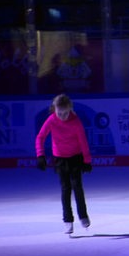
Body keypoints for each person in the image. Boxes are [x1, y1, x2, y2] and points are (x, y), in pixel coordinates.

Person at [35, 94, 93, 234]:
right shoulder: (51, 120)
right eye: (59, 113)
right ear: (54, 109)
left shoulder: (75, 121)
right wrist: (40, 155)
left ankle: (83, 216)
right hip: (60, 159)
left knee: (77, 187)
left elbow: (83, 141)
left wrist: (87, 160)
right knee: (65, 189)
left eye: (65, 113)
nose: (62, 116)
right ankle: (68, 220)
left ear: (70, 109)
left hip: (75, 158)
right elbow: (40, 137)